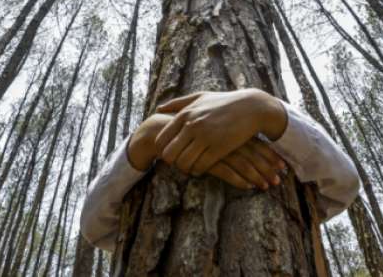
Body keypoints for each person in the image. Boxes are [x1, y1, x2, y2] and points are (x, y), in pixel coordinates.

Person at [80, 88, 360, 251]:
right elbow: (94, 227)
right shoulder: (146, 143)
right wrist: (144, 138)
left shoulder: (281, 120)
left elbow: (343, 184)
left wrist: (264, 109)